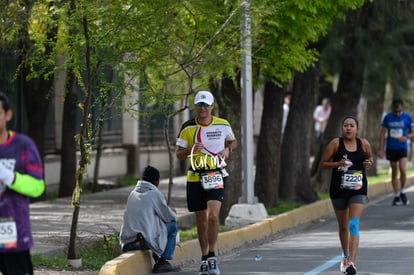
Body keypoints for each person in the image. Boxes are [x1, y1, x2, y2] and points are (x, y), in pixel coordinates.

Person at [176, 90, 238, 275]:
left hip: (216, 174)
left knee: (213, 216)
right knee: (201, 219)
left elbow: (234, 141)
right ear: (195, 107)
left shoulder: (223, 124)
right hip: (195, 176)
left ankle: (212, 256)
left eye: (206, 105)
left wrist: (228, 149)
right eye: (200, 105)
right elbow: (179, 155)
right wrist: (191, 149)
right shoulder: (187, 127)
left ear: (212, 106)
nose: (203, 108)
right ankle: (204, 258)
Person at [320, 116, 373, 275]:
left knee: (353, 224)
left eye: (351, 126)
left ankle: (351, 263)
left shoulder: (363, 144)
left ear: (357, 129)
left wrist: (368, 163)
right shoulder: (335, 144)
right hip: (339, 190)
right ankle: (345, 255)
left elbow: (369, 158)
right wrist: (337, 164)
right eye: (345, 126)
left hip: (358, 189)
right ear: (342, 128)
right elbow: (322, 164)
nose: (348, 128)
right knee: (343, 226)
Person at [0, 91, 45, 275]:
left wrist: (11, 177)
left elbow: (37, 187)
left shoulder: (23, 145)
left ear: (8, 114)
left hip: (11, 228)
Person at [119, 165, 181, 273]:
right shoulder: (154, 193)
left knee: (154, 220)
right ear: (157, 181)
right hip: (143, 242)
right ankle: (162, 262)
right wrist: (172, 212)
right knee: (173, 226)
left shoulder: (132, 193)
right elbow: (168, 217)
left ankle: (157, 256)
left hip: (128, 242)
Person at [379, 99, 413, 206]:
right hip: (391, 147)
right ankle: (396, 194)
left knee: (403, 169)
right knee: (394, 170)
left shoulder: (407, 117)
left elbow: (413, 133)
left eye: (399, 111)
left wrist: (406, 136)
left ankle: (403, 190)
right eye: (396, 111)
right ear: (393, 109)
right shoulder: (388, 117)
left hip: (402, 147)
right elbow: (382, 133)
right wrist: (381, 149)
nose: (398, 113)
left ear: (402, 108)